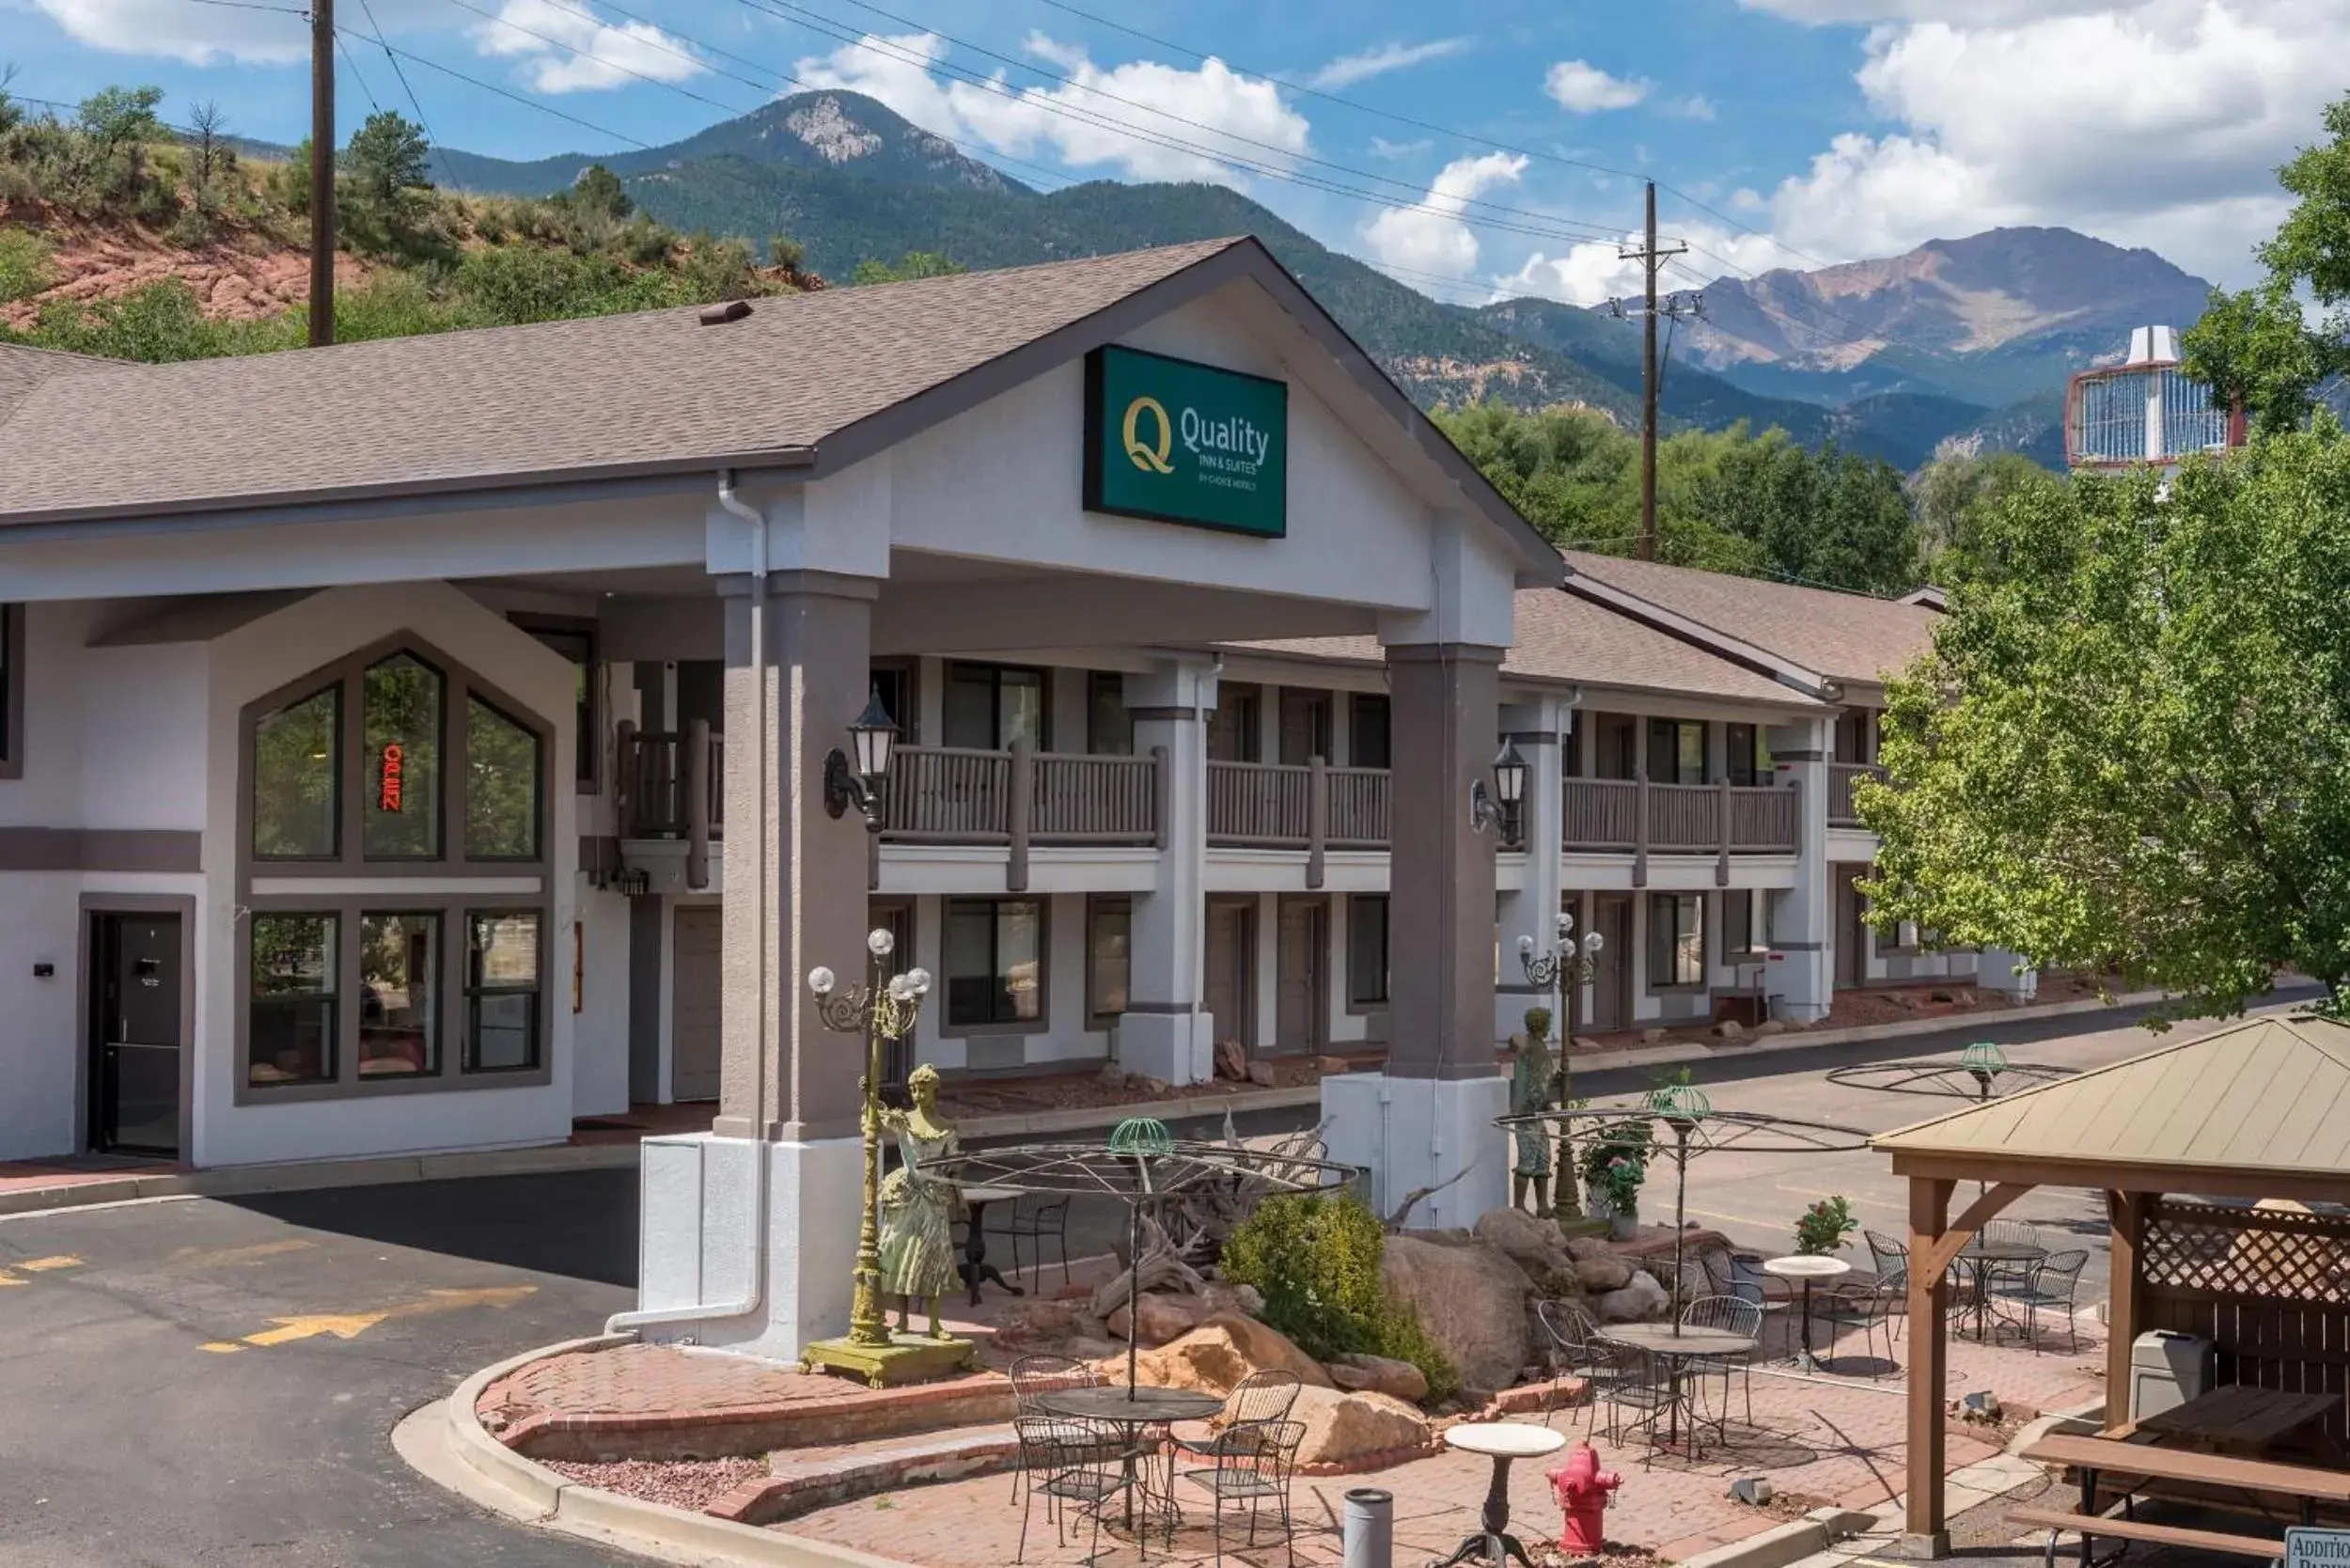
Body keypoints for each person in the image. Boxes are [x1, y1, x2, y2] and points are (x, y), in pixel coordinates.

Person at [877, 1063, 963, 1339]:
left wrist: (961, 1199)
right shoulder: (903, 1121)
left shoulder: (947, 1127)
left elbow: (952, 1168)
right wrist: (868, 1094)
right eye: (913, 1089)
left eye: (922, 1088)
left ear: (934, 1089)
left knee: (932, 1261)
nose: (917, 1093)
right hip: (907, 1196)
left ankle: (935, 1323)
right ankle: (902, 1320)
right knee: (901, 1256)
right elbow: (872, 1118)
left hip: (934, 1199)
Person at [1509, 1006, 1558, 1216]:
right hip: (1529, 1112)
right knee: (1528, 1158)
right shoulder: (1536, 1050)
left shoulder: (1533, 1047)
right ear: (1542, 1025)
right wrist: (1545, 1103)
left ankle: (1542, 1205)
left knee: (1543, 1156)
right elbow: (1537, 1083)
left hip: (1532, 1111)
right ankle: (1519, 1206)